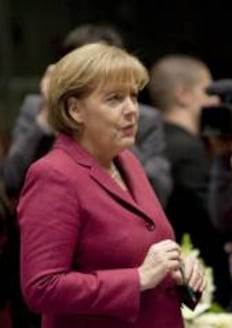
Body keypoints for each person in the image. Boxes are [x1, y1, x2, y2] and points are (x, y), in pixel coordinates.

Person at [17, 43, 205, 328]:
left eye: (134, 96)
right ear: (75, 109)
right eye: (114, 99)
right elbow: (42, 287)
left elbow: (143, 251)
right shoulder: (53, 174)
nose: (132, 110)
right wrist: (138, 278)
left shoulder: (127, 161)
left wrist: (178, 274)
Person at [4, 24, 172, 207]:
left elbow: (158, 191)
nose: (131, 109)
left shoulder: (144, 118)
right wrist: (49, 112)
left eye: (133, 96)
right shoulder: (36, 109)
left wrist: (117, 138)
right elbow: (11, 180)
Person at [148, 54, 232, 307]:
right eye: (208, 91)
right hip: (197, 281)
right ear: (183, 95)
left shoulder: (150, 147)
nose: (215, 100)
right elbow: (216, 218)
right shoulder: (189, 150)